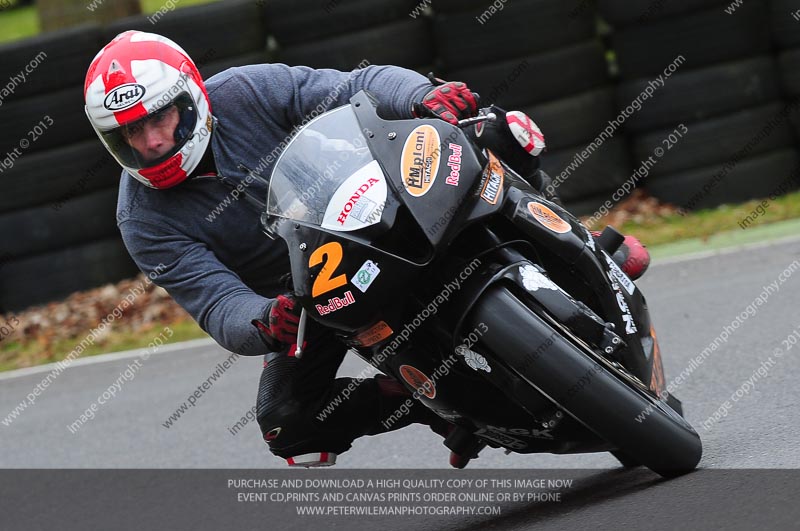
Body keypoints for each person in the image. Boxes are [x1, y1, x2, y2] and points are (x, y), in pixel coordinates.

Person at [84, 31, 649, 468]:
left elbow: (352, 85)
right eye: (130, 133)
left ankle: (583, 244)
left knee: (495, 130)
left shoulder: (245, 91)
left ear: (192, 97)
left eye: (159, 117)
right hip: (315, 298)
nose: (152, 142)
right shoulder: (142, 219)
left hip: (381, 200)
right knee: (287, 423)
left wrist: (422, 96)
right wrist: (264, 320)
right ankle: (439, 405)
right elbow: (214, 301)